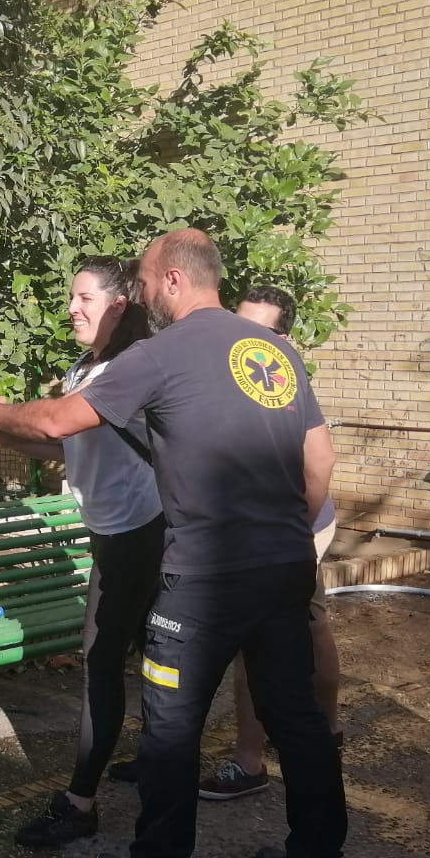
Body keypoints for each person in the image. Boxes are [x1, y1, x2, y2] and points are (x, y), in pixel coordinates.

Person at [0, 228, 347, 858]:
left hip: (203, 576)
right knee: (297, 718)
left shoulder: (163, 352)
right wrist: (287, 536)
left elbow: (57, 422)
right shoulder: (272, 352)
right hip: (284, 566)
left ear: (173, 278)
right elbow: (318, 459)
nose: (141, 296)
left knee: (170, 725)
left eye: (143, 283)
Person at [0, 257, 163, 848]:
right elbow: (63, 446)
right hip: (116, 532)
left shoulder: (128, 369)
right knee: (148, 656)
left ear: (119, 305)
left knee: (104, 662)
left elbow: (54, 426)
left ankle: (80, 805)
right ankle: (156, 760)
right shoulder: (86, 368)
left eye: (85, 298)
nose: (71, 309)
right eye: (71, 297)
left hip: (140, 533)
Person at [106, 284, 344, 799]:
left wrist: (291, 529)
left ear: (283, 338)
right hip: (271, 532)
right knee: (279, 645)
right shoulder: (230, 362)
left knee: (278, 642)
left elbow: (320, 461)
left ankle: (255, 757)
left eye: (256, 329)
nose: (239, 336)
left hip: (296, 523)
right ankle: (307, 741)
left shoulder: (278, 368)